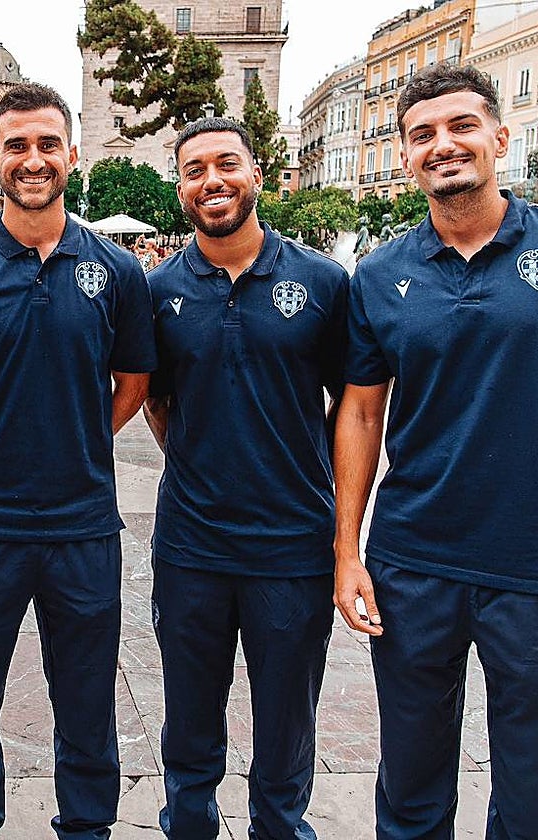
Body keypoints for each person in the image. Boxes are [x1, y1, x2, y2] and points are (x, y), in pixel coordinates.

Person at [0, 82, 156, 839]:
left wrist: (75, 436)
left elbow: (133, 384)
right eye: (17, 145)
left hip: (82, 525)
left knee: (86, 697)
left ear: (72, 155)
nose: (33, 159)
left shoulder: (117, 272)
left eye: (48, 144)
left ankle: (87, 825)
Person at [334, 63, 538, 840]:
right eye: (423, 134)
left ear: (500, 137)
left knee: (530, 790)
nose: (443, 144)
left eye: (461, 126)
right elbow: (360, 412)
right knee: (412, 786)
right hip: (414, 561)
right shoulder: (380, 274)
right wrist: (347, 551)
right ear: (406, 155)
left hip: (529, 565)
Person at [143, 117, 348, 840]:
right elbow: (157, 403)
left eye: (226, 163)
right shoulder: (158, 290)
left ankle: (280, 829)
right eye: (194, 170)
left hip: (292, 548)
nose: (212, 180)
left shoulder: (323, 282)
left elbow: (352, 404)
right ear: (181, 189)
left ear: (258, 174)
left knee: (287, 726)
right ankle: (188, 826)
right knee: (188, 725)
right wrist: (204, 461)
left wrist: (311, 484)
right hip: (191, 548)